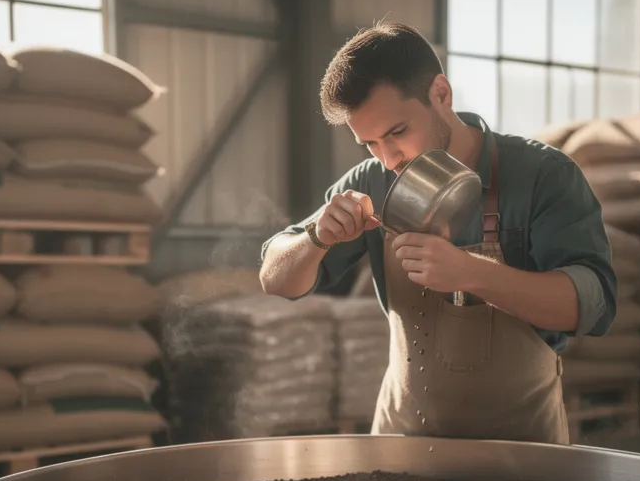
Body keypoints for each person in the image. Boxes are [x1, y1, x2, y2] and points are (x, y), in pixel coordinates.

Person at [259, 22, 617, 445]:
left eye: (396, 133)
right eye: (369, 143)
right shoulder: (371, 180)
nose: (388, 158)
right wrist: (316, 238)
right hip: (400, 443)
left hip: (521, 452)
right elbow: (276, 280)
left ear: (441, 95)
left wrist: (472, 273)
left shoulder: (543, 175)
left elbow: (592, 306)